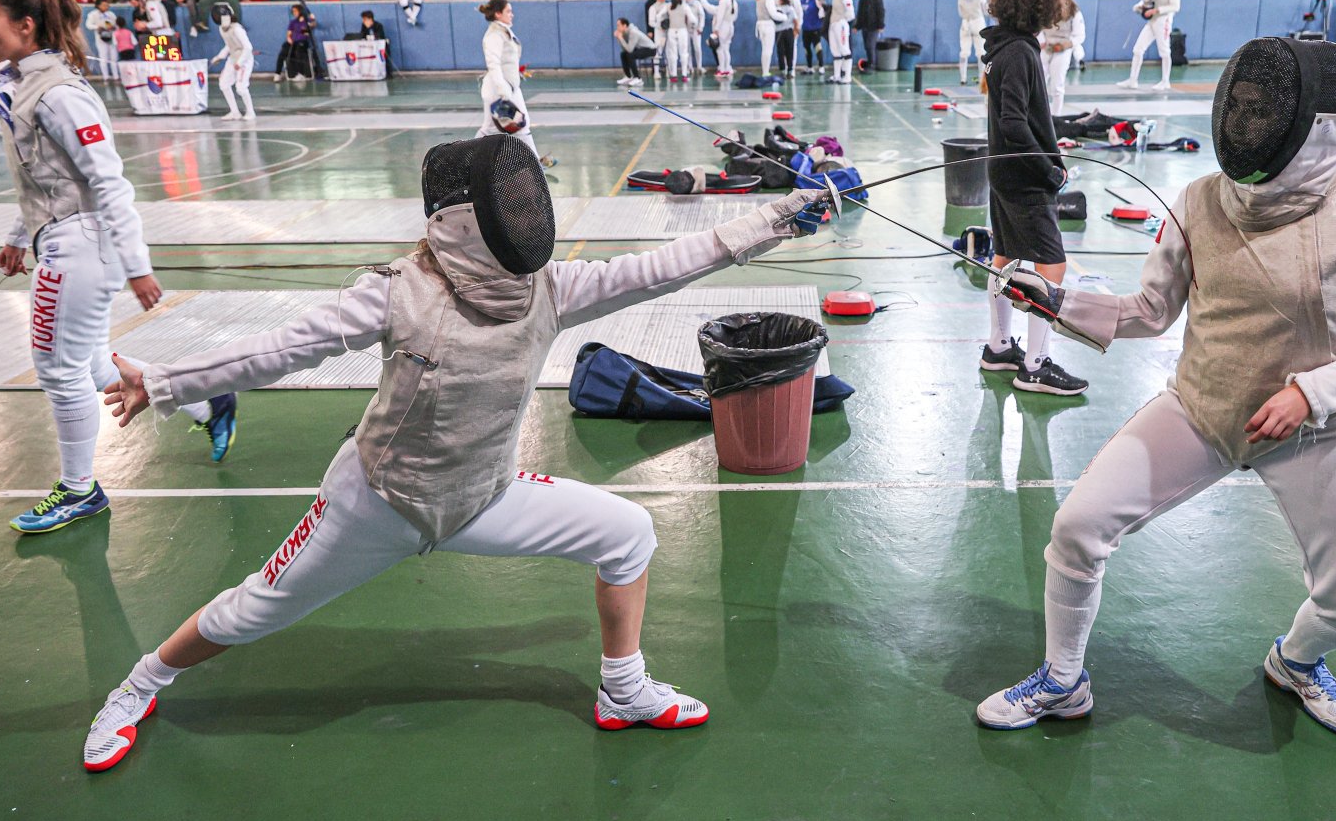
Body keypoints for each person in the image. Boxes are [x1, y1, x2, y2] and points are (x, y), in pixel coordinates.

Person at [81, 134, 829, 772]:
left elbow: (663, 264)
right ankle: (139, 685)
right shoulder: (397, 292)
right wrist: (169, 382)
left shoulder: (552, 288)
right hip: (376, 502)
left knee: (627, 533)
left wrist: (777, 218)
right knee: (253, 611)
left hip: (482, 496)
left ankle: (623, 690)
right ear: (475, 223)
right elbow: (286, 348)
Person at [980, 36, 1336, 739]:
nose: (1244, 121)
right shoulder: (1200, 200)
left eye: (1262, 109)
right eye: (1239, 104)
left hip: (1315, 428)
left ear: (1316, 126)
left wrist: (1311, 392)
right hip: (1204, 406)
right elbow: (1150, 312)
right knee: (1077, 528)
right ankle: (1063, 680)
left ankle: (1297, 662)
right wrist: (1058, 303)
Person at [0, 0, 236, 537]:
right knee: (89, 367)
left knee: (57, 370)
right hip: (65, 240)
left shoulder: (60, 94)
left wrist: (137, 264)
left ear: (25, 25)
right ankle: (207, 404)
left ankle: (79, 489)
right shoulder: (29, 86)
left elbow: (109, 182)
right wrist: (20, 234)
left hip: (83, 247)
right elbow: (45, 180)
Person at [978, 0, 1089, 396]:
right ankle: (1035, 366)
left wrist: (1050, 140)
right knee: (1051, 265)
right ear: (1040, 4)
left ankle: (998, 347)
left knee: (1004, 257)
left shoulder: (1002, 45)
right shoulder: (1022, 51)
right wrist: (1047, 169)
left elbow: (1021, 115)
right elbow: (1012, 121)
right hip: (1023, 177)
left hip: (1003, 171)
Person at [479, 0, 552, 166]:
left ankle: (535, 163)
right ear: (498, 14)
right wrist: (503, 91)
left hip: (510, 88)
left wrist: (516, 73)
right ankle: (468, 163)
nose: (512, 14)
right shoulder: (494, 35)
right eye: (508, 11)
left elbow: (507, 61)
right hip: (498, 90)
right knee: (489, 129)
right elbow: (493, 64)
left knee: (521, 124)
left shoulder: (503, 31)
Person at [1117, 0, 1178, 91]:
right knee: (1138, 49)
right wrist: (1139, 6)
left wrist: (1156, 11)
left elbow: (1175, 7)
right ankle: (1133, 80)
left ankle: (1165, 81)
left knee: (1164, 51)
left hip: (1164, 20)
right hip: (1152, 22)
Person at [209, 3, 255, 121]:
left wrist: (239, 63)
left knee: (241, 88)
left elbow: (248, 48)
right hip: (233, 58)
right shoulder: (222, 29)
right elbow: (229, 45)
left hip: (244, 60)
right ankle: (235, 112)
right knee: (223, 84)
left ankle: (251, 112)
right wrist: (220, 56)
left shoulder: (237, 29)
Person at [1039, 4, 1086, 116]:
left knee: (1057, 86)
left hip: (1063, 49)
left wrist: (1066, 44)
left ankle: (1056, 117)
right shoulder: (1043, 7)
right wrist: (1042, 42)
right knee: (1038, 84)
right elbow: (1038, 29)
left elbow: (1080, 35)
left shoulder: (1074, 11)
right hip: (1046, 47)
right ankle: (1039, 116)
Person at [956, 0, 989, 84]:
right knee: (981, 52)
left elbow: (960, 13)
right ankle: (981, 79)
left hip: (966, 23)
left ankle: (963, 78)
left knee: (964, 52)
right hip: (978, 22)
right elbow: (985, 11)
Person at [825, 0, 855, 84]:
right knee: (835, 50)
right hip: (833, 24)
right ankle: (837, 75)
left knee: (844, 49)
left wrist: (843, 21)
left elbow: (851, 13)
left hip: (841, 24)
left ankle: (847, 76)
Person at [84, 0, 120, 82]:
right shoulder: (92, 14)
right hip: (101, 39)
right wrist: (98, 27)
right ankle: (106, 77)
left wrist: (113, 27)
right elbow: (88, 25)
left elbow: (117, 25)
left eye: (107, 5)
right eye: (104, 5)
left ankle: (116, 76)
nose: (106, 7)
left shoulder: (111, 14)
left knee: (114, 58)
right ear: (98, 5)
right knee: (103, 57)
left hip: (112, 38)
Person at [614, 17, 658, 86]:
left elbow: (630, 50)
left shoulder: (633, 32)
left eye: (618, 25)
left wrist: (620, 38)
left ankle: (638, 78)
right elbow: (625, 49)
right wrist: (619, 38)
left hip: (651, 49)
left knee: (630, 55)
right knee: (623, 54)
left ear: (624, 25)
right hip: (641, 48)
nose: (617, 27)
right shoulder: (625, 32)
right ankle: (628, 77)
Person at [854, 0, 885, 73]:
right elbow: (860, 13)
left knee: (870, 45)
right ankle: (870, 62)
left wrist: (881, 25)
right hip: (865, 26)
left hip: (874, 26)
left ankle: (872, 64)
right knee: (867, 46)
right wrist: (857, 26)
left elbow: (881, 11)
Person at [755, 0, 783, 77]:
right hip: (767, 25)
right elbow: (773, 13)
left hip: (761, 25)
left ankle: (765, 70)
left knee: (765, 49)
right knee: (768, 50)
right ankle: (765, 71)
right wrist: (784, 17)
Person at [799, 0, 827, 76]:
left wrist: (820, 5)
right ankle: (810, 67)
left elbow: (824, 8)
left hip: (815, 27)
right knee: (807, 48)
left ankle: (821, 66)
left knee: (818, 47)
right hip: (805, 28)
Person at [774, 0, 799, 76]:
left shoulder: (777, 9)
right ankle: (790, 69)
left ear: (780, 0)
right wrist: (796, 30)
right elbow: (796, 21)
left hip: (779, 32)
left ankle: (783, 69)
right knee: (790, 51)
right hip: (789, 31)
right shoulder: (791, 9)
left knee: (781, 51)